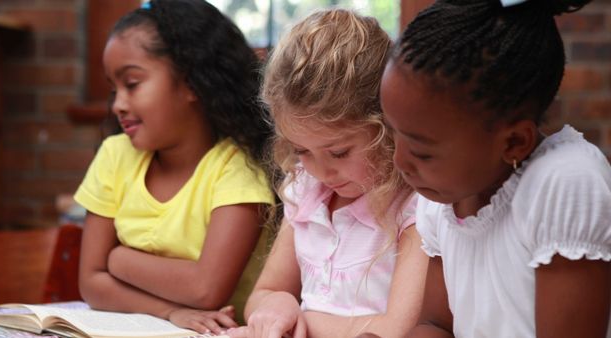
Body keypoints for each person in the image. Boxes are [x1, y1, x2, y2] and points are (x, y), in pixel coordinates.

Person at [379, 0, 611, 337]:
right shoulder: (442, 200)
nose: (399, 161)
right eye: (393, 132)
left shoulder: (563, 184)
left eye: (421, 152)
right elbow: (436, 324)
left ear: (514, 142)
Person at [74, 0, 275, 334]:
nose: (118, 104)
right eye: (113, 89)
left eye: (133, 84)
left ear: (192, 82)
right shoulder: (115, 155)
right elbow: (91, 282)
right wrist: (169, 310)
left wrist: (118, 259)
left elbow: (206, 289)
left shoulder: (237, 168)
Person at [227, 9, 429, 338]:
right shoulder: (306, 190)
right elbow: (261, 298)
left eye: (338, 152)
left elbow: (398, 330)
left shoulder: (414, 209)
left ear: (387, 129)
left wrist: (299, 323)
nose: (320, 171)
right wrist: (277, 304)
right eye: (301, 150)